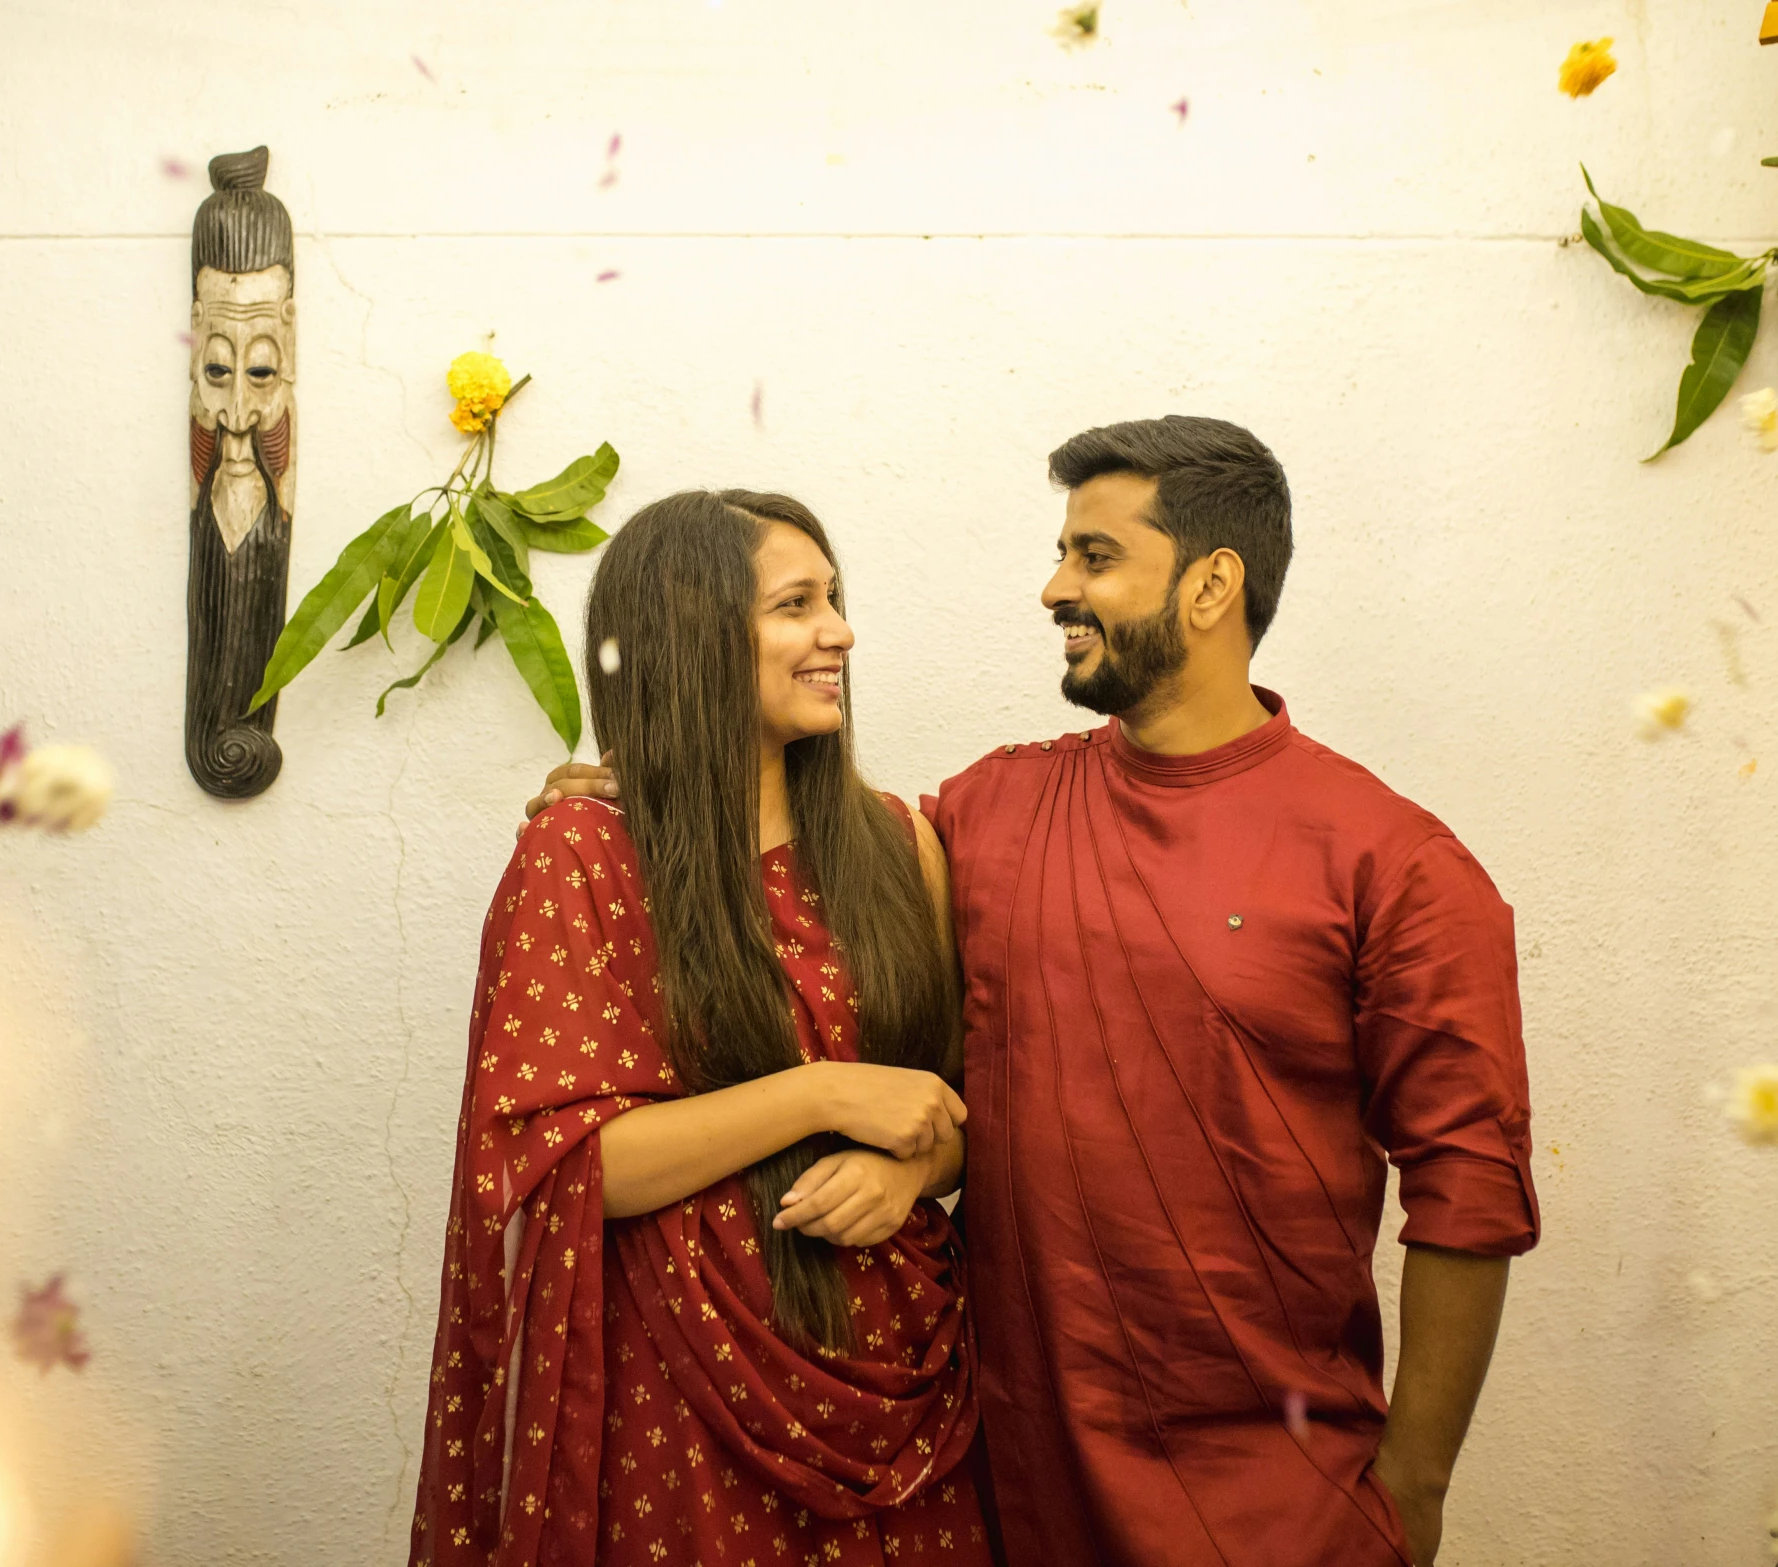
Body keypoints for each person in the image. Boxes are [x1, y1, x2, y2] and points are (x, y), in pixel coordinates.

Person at [527, 418, 1539, 1567]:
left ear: (1212, 586)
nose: (1055, 586)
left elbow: (1470, 1194)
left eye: (1096, 557)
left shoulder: (1392, 863)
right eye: (1062, 551)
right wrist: (647, 779)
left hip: (1276, 1496)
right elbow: (886, 998)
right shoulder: (987, 815)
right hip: (993, 1477)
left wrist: (1413, 1482)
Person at [412, 491, 1002, 1567]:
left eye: (835, 599)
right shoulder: (583, 855)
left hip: (909, 1385)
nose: (840, 632)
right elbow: (565, 1163)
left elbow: (957, 1109)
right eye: (797, 604)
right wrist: (821, 1093)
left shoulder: (897, 842)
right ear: (693, 633)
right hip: (685, 1399)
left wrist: (915, 1175)